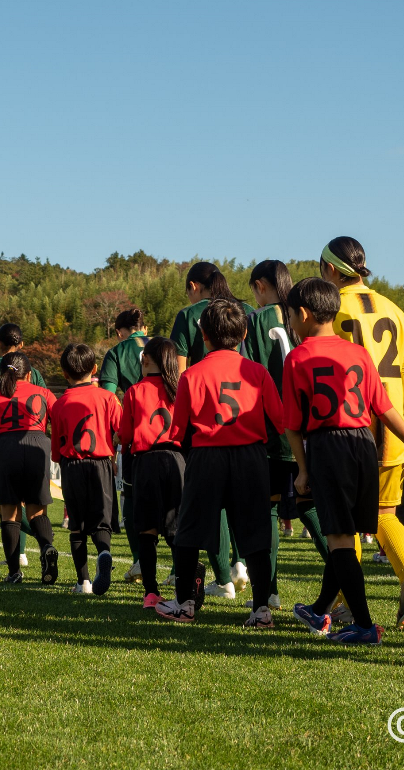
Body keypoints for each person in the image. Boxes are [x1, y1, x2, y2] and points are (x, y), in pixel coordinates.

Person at [284, 279, 404, 645]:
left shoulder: (297, 357)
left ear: (302, 314)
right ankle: (319, 610)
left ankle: (364, 626)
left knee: (339, 541)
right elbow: (383, 407)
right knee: (345, 536)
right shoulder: (358, 354)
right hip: (365, 444)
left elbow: (293, 425)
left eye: (290, 314)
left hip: (327, 445)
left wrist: (302, 469)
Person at [155, 299, 280, 628]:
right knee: (254, 534)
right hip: (251, 456)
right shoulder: (258, 372)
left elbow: (178, 430)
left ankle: (184, 604)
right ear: (243, 334)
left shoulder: (192, 375)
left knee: (190, 532)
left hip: (207, 456)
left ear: (203, 335)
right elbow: (280, 421)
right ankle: (262, 610)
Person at [320, 236, 404, 630]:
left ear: (330, 269)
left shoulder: (332, 310)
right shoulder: (394, 309)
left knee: (347, 522)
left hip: (354, 425)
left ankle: (348, 603)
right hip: (394, 422)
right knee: (385, 513)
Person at [169, 262, 249, 598]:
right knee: (247, 501)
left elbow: (179, 372)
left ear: (192, 286)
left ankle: (223, 579)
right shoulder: (244, 310)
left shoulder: (189, 315)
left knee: (210, 502)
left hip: (205, 426)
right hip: (246, 420)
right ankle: (244, 563)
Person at [0, 352, 60, 584]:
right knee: (36, 511)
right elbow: (60, 420)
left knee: (9, 513)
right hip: (38, 447)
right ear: (30, 374)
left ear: (3, 374)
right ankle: (47, 547)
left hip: (7, 448)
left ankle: (14, 573)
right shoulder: (44, 393)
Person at [243, 259, 296, 610]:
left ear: (260, 285)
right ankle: (344, 590)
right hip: (308, 427)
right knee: (311, 510)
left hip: (271, 430)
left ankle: (270, 591)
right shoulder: (301, 314)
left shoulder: (258, 320)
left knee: (269, 511)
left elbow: (249, 377)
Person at [0, 322, 47, 568]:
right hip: (36, 443)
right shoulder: (32, 370)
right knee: (33, 507)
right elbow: (45, 407)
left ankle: (18, 561)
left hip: (2, 442)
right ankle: (39, 546)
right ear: (22, 344)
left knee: (7, 507)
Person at [51, 343, 123, 595]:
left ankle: (83, 582)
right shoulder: (106, 397)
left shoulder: (59, 405)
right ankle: (104, 552)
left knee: (77, 525)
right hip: (101, 463)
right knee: (102, 521)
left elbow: (56, 446)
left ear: (64, 374)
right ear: (94, 369)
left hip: (72, 464)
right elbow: (121, 429)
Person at [119, 336, 185, 609]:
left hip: (145, 462)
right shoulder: (179, 389)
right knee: (176, 530)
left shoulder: (134, 391)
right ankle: (184, 589)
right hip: (176, 460)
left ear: (145, 359)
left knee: (146, 530)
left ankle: (151, 593)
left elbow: (124, 435)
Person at [99, 308, 149, 582]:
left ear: (120, 332)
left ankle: (140, 560)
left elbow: (108, 397)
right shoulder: (165, 345)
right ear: (145, 326)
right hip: (169, 431)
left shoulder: (117, 352)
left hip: (136, 434)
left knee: (130, 496)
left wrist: (119, 431)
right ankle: (179, 567)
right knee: (175, 500)